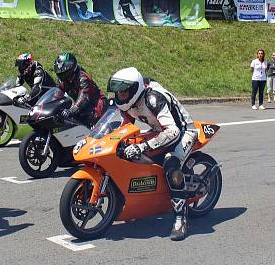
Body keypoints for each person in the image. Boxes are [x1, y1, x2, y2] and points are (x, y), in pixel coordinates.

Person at [106, 67, 198, 240]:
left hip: (183, 131)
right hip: (158, 131)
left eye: (123, 93)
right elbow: (124, 126)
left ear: (134, 90)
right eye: (117, 93)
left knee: (171, 166)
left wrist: (143, 146)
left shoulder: (154, 99)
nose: (120, 96)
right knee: (128, 155)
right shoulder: (127, 104)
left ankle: (180, 219)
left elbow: (173, 132)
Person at [54, 51, 106, 128]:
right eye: (60, 70)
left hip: (96, 104)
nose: (62, 72)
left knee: (90, 118)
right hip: (82, 106)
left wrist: (71, 110)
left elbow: (84, 97)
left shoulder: (82, 78)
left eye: (64, 69)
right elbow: (57, 94)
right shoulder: (64, 81)